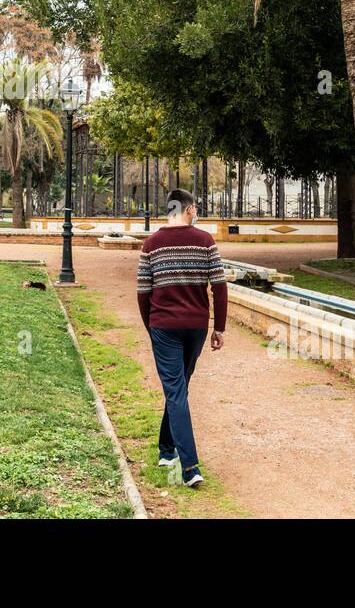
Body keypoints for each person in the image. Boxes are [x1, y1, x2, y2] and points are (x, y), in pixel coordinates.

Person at [136, 188, 227, 488]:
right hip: (196, 326)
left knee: (178, 388)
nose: (196, 212)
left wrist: (152, 327)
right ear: (188, 210)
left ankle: (168, 451)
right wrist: (219, 328)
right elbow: (220, 286)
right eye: (195, 208)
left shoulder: (151, 244)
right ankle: (187, 465)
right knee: (178, 388)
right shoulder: (205, 241)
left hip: (164, 326)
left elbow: (143, 293)